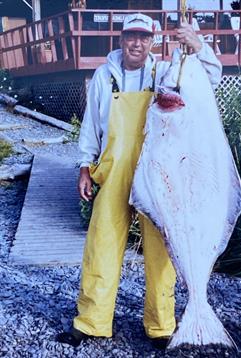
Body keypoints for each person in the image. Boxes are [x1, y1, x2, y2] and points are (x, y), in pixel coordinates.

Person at [56, 13, 222, 348]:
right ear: (120, 38)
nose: (137, 43)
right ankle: (91, 321)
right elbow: (91, 125)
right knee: (101, 245)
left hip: (156, 172)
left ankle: (161, 326)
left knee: (161, 250)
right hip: (114, 170)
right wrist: (84, 166)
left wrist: (198, 45)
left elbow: (211, 77)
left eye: (144, 38)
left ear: (152, 41)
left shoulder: (165, 71)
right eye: (131, 36)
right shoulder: (105, 75)